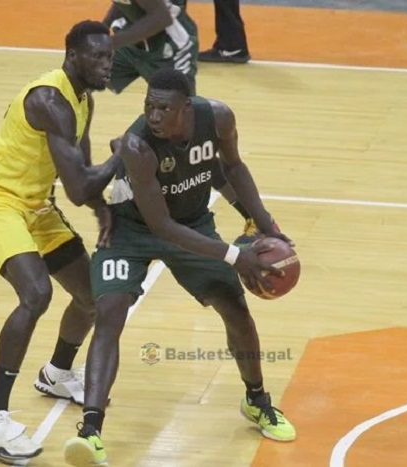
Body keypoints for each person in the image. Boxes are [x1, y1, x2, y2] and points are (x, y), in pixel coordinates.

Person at [62, 69, 296, 467]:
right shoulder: (137, 146)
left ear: (186, 108)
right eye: (148, 106)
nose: (153, 115)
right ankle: (91, 431)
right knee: (110, 313)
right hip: (130, 231)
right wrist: (236, 256)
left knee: (236, 308)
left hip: (192, 222)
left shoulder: (218, 117)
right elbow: (161, 228)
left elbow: (232, 169)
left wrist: (266, 224)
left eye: (163, 108)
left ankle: (257, 401)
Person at [0, 20, 120, 464]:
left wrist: (103, 210)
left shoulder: (82, 98)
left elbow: (83, 172)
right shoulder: (51, 101)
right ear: (73, 57)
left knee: (92, 296)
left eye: (109, 56)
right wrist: (125, 154)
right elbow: (78, 185)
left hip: (36, 206)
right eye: (98, 57)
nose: (107, 64)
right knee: (36, 294)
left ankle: (55, 373)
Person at [101, 0, 271, 247]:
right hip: (139, 44)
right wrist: (101, 30)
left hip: (171, 46)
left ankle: (256, 218)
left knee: (192, 145)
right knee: (88, 70)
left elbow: (161, 17)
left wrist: (113, 41)